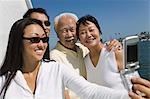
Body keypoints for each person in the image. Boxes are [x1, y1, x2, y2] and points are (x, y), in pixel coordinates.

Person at [0, 18, 129, 99]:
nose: (41, 44)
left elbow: (89, 91)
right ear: (18, 42)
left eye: (44, 39)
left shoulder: (56, 69)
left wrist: (131, 96)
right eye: (34, 39)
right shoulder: (3, 81)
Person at [76, 15, 126, 91]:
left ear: (100, 32)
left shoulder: (114, 51)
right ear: (79, 39)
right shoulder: (85, 61)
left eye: (91, 30)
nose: (88, 35)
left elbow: (132, 80)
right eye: (83, 33)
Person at [50, 12, 89, 99]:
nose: (69, 35)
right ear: (57, 34)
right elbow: (63, 92)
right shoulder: (54, 57)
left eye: (72, 30)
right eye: (64, 31)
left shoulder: (83, 48)